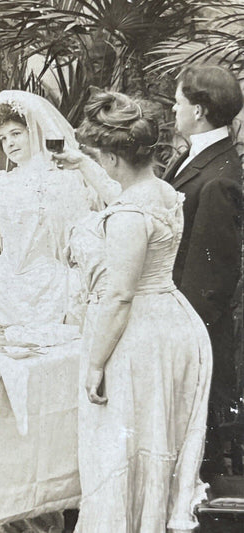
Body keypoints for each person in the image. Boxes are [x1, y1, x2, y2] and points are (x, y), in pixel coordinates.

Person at [65, 91, 212, 533]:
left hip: (139, 333)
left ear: (113, 157)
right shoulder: (161, 190)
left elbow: (119, 296)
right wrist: (84, 165)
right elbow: (120, 191)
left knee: (122, 444)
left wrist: (94, 364)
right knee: (154, 436)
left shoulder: (129, 215)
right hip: (172, 321)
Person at [0, 90, 119, 329]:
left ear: (34, 131)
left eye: (16, 133)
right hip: (4, 282)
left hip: (48, 283)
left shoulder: (62, 179)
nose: (10, 142)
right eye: (4, 138)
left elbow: (79, 234)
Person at [162, 65, 243, 475]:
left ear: (197, 110)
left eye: (177, 103)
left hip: (197, 335)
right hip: (182, 324)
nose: (173, 111)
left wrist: (179, 335)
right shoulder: (197, 154)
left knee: (200, 451)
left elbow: (209, 281)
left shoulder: (218, 178)